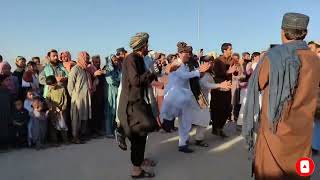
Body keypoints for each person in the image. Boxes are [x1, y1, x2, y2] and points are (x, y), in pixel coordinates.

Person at [243, 12, 320, 179]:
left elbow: (256, 84)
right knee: (301, 172)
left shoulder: (274, 56)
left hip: (274, 130)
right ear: (304, 33)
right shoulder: (315, 59)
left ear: (282, 32)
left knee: (269, 172)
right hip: (303, 130)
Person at [118, 32, 161, 178]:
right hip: (132, 104)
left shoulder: (138, 58)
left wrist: (154, 74)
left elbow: (143, 80)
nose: (148, 46)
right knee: (140, 134)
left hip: (138, 101)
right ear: (142, 45)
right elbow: (135, 80)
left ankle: (139, 160)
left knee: (143, 132)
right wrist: (150, 72)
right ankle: (136, 170)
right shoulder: (131, 59)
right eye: (146, 44)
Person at [161, 42, 210, 153]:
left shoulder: (187, 64)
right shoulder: (176, 64)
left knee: (185, 121)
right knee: (168, 120)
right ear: (179, 53)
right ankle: (165, 124)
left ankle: (183, 144)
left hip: (184, 97)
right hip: (174, 98)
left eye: (189, 52)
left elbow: (190, 77)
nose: (188, 54)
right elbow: (183, 76)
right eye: (185, 53)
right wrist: (198, 71)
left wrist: (200, 72)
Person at [68, 51, 102, 144]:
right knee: (76, 118)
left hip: (87, 98)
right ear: (80, 58)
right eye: (85, 58)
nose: (87, 60)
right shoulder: (75, 69)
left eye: (88, 58)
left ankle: (81, 135)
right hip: (78, 99)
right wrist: (75, 96)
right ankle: (75, 137)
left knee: (84, 117)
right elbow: (70, 86)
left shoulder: (86, 70)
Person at [210, 43, 237, 138]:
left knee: (227, 109)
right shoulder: (217, 60)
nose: (231, 51)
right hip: (219, 88)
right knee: (217, 109)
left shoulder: (232, 60)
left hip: (228, 88)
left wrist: (236, 68)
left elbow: (236, 72)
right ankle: (216, 128)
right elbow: (216, 74)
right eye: (230, 49)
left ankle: (220, 127)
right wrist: (227, 72)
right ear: (224, 50)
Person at [46, 75, 68, 145]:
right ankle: (54, 141)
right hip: (53, 110)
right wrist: (52, 107)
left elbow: (65, 99)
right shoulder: (49, 90)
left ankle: (65, 140)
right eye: (49, 86)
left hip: (62, 111)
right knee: (53, 126)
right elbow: (47, 99)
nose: (51, 87)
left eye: (52, 85)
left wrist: (63, 108)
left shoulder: (62, 88)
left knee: (63, 125)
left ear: (55, 82)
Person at [104, 54, 121, 138]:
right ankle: (108, 131)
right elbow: (110, 80)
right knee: (109, 112)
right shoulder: (108, 69)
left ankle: (114, 130)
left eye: (117, 60)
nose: (116, 62)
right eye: (114, 60)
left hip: (116, 92)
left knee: (115, 113)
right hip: (110, 93)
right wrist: (118, 80)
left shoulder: (117, 69)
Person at [89, 55, 105, 137]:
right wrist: (94, 75)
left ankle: (99, 129)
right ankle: (93, 131)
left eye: (98, 62)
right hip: (93, 95)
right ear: (92, 62)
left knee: (99, 113)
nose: (97, 63)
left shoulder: (101, 70)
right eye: (95, 62)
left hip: (100, 95)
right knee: (94, 114)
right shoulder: (90, 70)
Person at [0, 74, 13, 151]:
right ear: (1, 82)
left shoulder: (8, 91)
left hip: (7, 114)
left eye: (9, 80)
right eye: (7, 80)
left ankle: (5, 145)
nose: (9, 81)